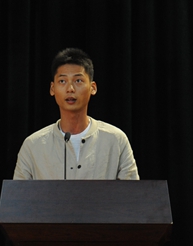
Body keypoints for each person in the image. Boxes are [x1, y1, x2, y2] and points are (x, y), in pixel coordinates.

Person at [13, 48, 139, 180]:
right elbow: (19, 193)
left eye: (78, 81)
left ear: (93, 88)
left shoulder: (115, 140)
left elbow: (132, 192)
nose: (70, 89)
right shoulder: (33, 146)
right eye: (62, 81)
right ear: (52, 89)